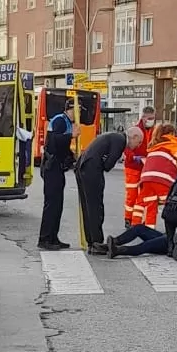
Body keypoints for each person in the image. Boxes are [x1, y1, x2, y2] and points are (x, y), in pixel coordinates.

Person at [76, 128, 142, 249]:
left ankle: (91, 240)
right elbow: (108, 165)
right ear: (135, 137)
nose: (138, 146)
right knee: (96, 207)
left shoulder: (114, 136)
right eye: (139, 142)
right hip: (92, 169)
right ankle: (97, 242)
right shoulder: (121, 141)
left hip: (83, 165)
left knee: (88, 206)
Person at [134, 122, 177, 228]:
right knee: (171, 203)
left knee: (150, 204)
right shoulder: (172, 145)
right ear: (171, 133)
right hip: (162, 180)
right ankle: (176, 222)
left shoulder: (153, 146)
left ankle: (140, 228)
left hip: (146, 179)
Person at [38, 101, 76, 250]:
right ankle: (45, 238)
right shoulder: (60, 120)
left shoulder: (64, 121)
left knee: (57, 205)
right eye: (77, 110)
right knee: (52, 205)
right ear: (69, 109)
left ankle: (54, 237)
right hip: (51, 167)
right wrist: (71, 135)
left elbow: (63, 147)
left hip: (57, 168)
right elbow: (54, 142)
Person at [122, 106, 157, 226]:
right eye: (149, 118)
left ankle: (139, 221)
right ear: (143, 118)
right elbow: (126, 147)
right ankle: (128, 218)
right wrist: (133, 157)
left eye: (153, 118)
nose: (151, 120)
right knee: (132, 194)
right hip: (133, 166)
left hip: (147, 167)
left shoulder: (155, 131)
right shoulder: (135, 131)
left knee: (145, 196)